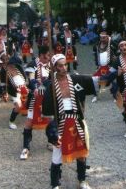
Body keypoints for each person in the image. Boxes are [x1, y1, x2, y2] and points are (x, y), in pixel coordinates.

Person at [42, 54, 99, 189]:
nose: (64, 68)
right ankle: (55, 183)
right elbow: (48, 111)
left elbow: (97, 80)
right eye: (60, 66)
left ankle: (82, 180)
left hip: (77, 120)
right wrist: (52, 130)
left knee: (81, 152)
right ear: (54, 68)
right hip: (61, 122)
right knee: (57, 155)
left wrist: (114, 75)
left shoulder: (76, 79)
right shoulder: (51, 86)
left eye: (65, 64)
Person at [20, 45, 51, 160]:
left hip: (47, 98)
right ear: (42, 55)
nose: (49, 57)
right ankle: (25, 148)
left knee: (50, 120)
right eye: (48, 55)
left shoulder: (50, 66)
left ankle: (51, 142)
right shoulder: (32, 64)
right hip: (35, 97)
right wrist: (37, 88)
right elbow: (32, 80)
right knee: (29, 122)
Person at [0, 51, 28, 130]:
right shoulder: (3, 71)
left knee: (27, 102)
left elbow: (24, 75)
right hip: (14, 91)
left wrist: (26, 84)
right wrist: (4, 93)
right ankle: (11, 121)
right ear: (1, 59)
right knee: (18, 105)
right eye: (4, 58)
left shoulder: (17, 66)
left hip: (24, 87)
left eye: (7, 57)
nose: (6, 59)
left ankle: (25, 112)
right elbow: (3, 83)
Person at [91, 31, 117, 103]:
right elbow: (95, 56)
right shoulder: (96, 45)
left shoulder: (112, 44)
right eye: (101, 38)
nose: (103, 39)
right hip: (100, 67)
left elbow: (118, 52)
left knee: (113, 81)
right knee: (95, 80)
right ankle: (95, 95)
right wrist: (97, 63)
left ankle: (115, 96)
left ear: (107, 37)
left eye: (104, 37)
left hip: (110, 66)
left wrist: (116, 58)